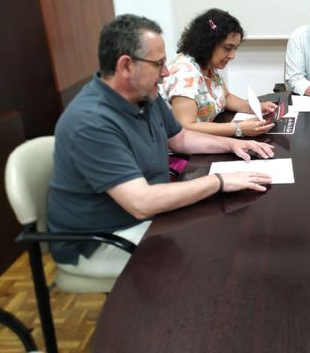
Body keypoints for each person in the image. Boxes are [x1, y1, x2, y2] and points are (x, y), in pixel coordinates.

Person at [47, 14, 275, 276]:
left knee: (222, 239)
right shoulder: (90, 123)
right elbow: (141, 202)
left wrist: (232, 144)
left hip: (146, 214)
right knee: (210, 261)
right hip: (102, 237)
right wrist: (220, 182)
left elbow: (180, 138)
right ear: (125, 66)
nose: (166, 72)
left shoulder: (144, 95)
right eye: (159, 64)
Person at [159, 8, 277, 137]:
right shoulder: (185, 73)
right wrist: (238, 128)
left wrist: (254, 107)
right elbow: (186, 126)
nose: (232, 56)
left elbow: (225, 97)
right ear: (207, 43)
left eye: (235, 49)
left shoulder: (209, 65)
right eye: (227, 48)